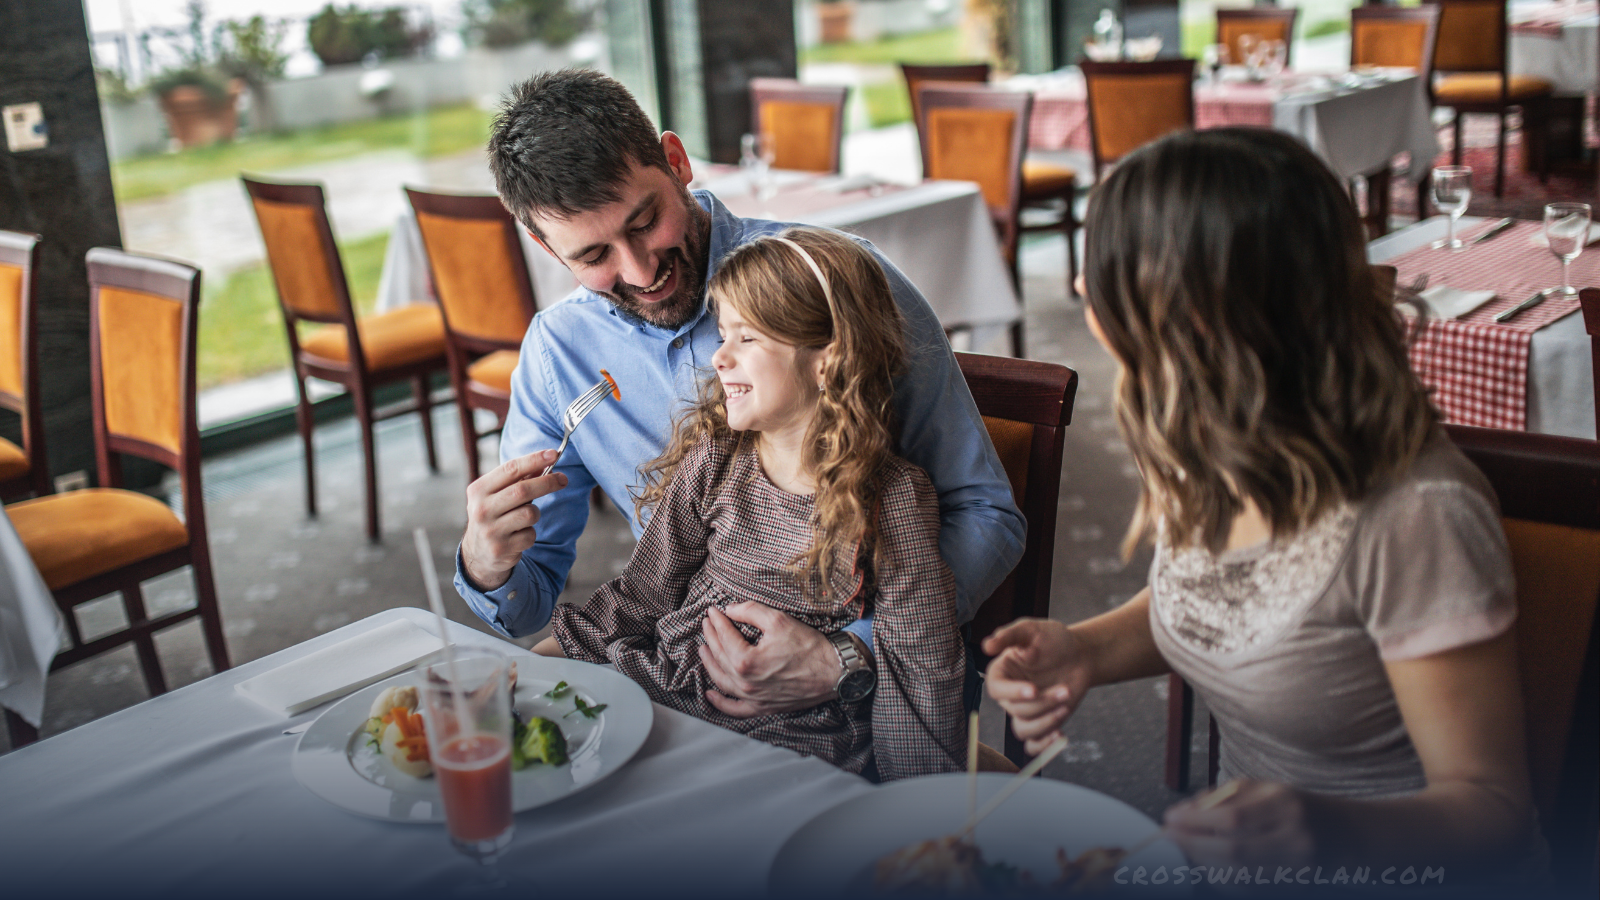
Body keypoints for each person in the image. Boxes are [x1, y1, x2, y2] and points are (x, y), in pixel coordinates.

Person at [985, 129, 1535, 876]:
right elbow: (1234, 600)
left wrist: (1326, 831)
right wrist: (1086, 650)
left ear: (1200, 311)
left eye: (1104, 274)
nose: (1083, 292)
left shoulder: (1419, 513)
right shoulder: (1211, 438)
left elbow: (1491, 809)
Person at [456, 69, 1022, 719]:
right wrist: (485, 563)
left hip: (851, 691)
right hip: (677, 679)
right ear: (543, 245)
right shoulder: (559, 353)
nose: (640, 272)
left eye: (646, 222)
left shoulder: (833, 281)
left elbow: (987, 513)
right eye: (594, 256)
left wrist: (847, 654)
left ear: (677, 162)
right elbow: (527, 607)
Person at [535, 228, 964, 779]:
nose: (719, 358)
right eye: (723, 335)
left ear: (826, 362)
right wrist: (525, 665)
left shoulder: (890, 500)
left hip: (793, 733)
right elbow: (641, 596)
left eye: (747, 339)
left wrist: (920, 806)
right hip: (667, 687)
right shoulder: (716, 455)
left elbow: (922, 666)